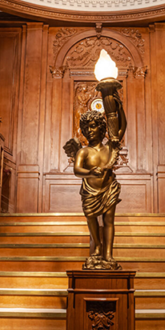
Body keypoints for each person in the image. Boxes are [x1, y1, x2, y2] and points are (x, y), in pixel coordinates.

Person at [66, 110, 122, 270]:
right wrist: (90, 172)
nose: (89, 131)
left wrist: (116, 104)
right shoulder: (83, 151)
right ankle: (97, 247)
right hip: (90, 191)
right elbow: (77, 170)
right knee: (91, 219)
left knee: (109, 220)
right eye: (86, 129)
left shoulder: (111, 148)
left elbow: (121, 126)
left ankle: (108, 254)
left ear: (101, 128)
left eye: (92, 127)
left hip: (109, 188)